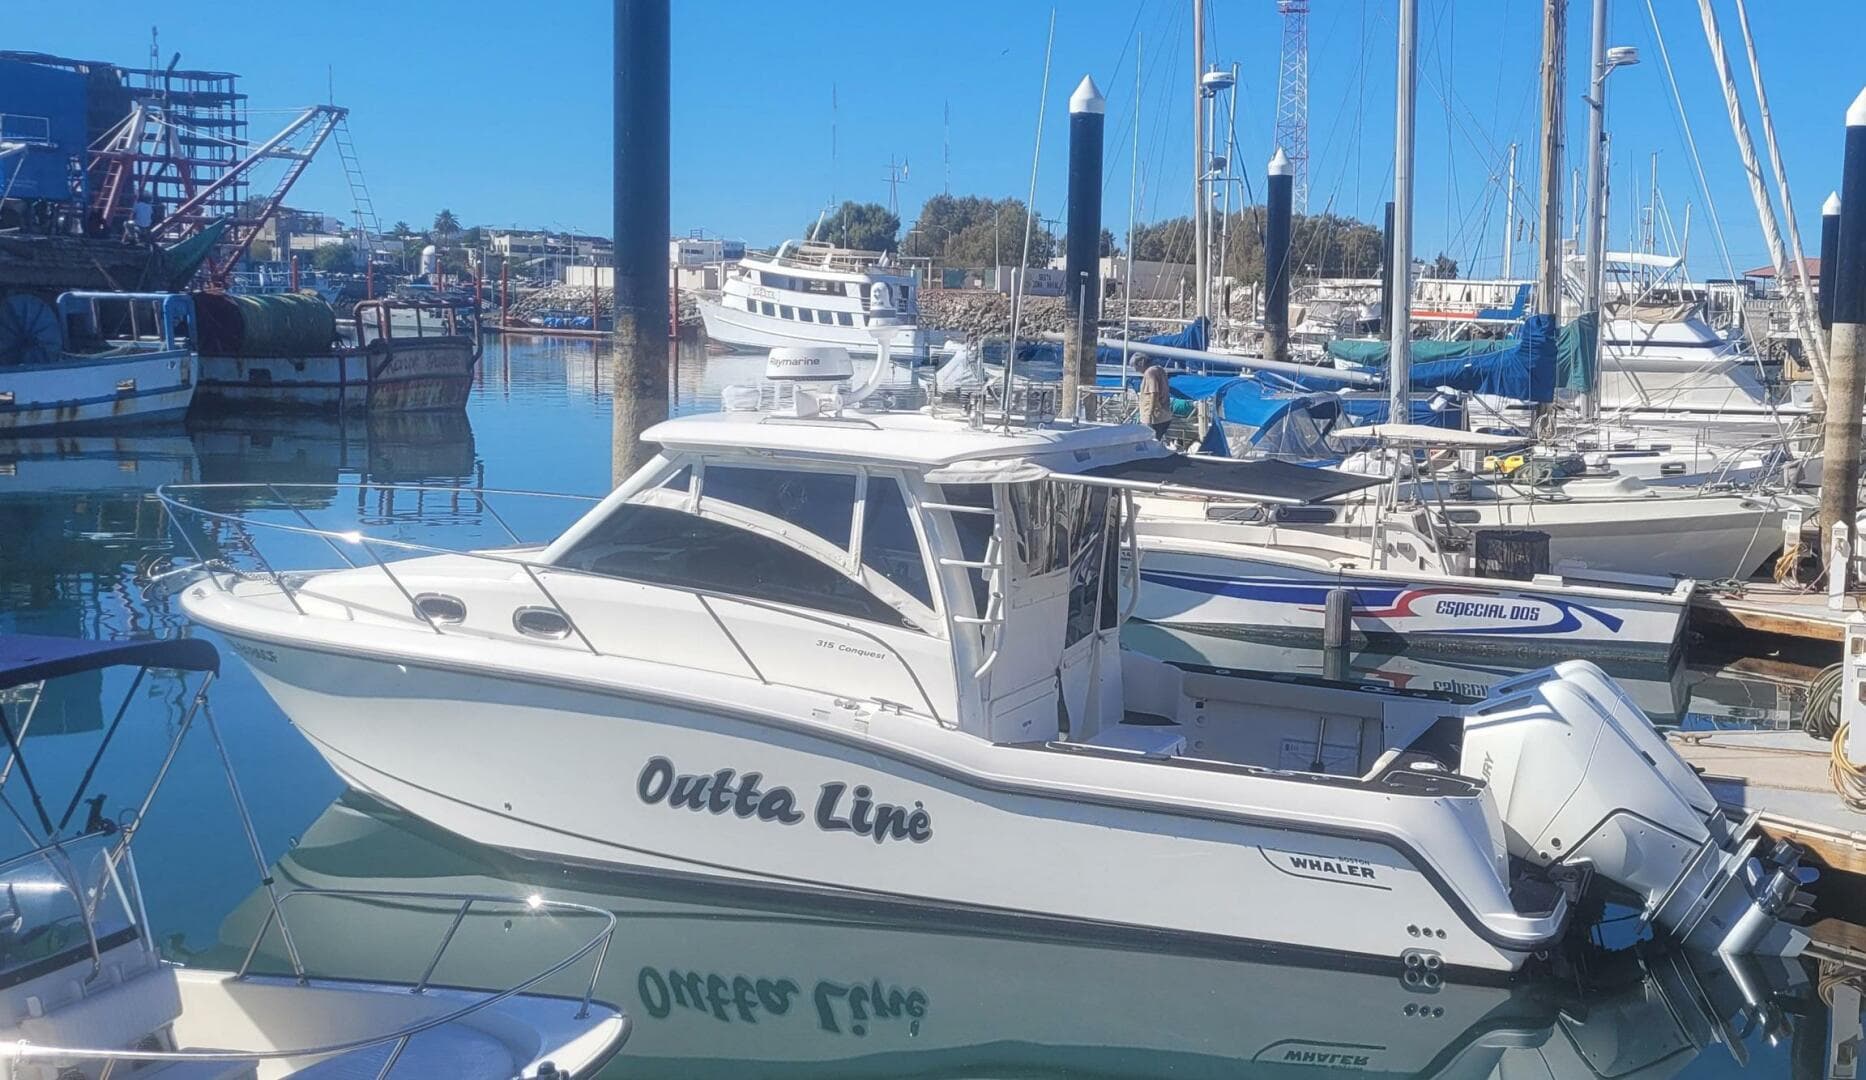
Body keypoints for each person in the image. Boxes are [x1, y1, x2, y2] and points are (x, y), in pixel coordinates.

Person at [1134, 355, 1174, 442]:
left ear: (1141, 363)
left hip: (1154, 418)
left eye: (1135, 366)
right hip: (1164, 416)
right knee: (1157, 441)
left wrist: (1149, 415)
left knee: (1150, 443)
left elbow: (1154, 394)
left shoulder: (1150, 373)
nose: (1135, 370)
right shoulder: (1160, 370)